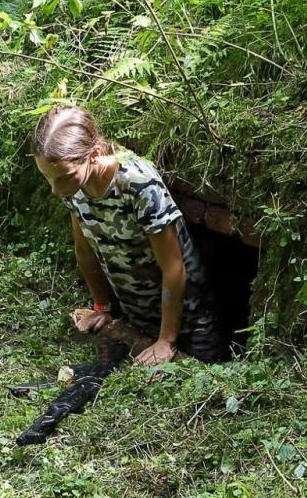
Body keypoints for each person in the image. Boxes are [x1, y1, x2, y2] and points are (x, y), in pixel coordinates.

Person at [32, 105, 224, 366]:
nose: (55, 190)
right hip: (138, 317)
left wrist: (167, 340)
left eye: (63, 178)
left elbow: (174, 267)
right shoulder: (73, 186)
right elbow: (85, 249)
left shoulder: (138, 184)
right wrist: (102, 308)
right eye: (47, 178)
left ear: (95, 154)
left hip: (190, 321)